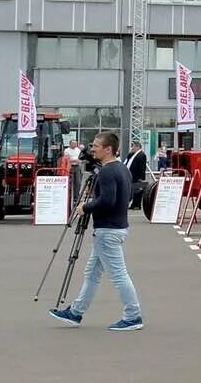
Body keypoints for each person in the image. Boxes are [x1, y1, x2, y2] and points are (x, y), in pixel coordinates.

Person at [48, 132, 144, 332]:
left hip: (107, 230)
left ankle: (133, 315)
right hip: (116, 227)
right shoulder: (122, 169)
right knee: (92, 273)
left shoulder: (107, 172)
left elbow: (107, 200)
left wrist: (86, 207)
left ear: (108, 149)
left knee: (118, 274)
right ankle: (75, 312)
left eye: (96, 146)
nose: (92, 149)